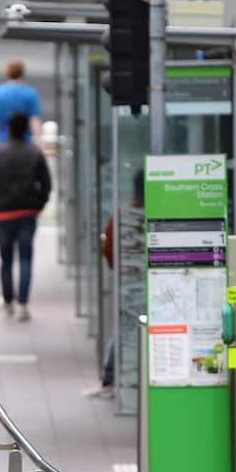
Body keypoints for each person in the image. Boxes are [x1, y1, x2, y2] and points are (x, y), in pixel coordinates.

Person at [0, 111, 51, 321]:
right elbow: (47, 185)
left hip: (4, 213)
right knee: (26, 258)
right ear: (27, 130)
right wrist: (38, 204)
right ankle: (23, 304)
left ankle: (8, 299)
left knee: (6, 259)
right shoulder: (35, 153)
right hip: (28, 212)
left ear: (9, 129)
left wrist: (2, 193)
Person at [84, 170, 145, 399]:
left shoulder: (122, 214)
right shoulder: (164, 214)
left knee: (123, 328)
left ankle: (110, 378)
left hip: (129, 281)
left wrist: (122, 270)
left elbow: (108, 250)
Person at [0, 60, 42, 143]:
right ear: (22, 73)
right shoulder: (30, 93)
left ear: (8, 72)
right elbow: (34, 120)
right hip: (24, 143)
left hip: (3, 142)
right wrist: (39, 141)